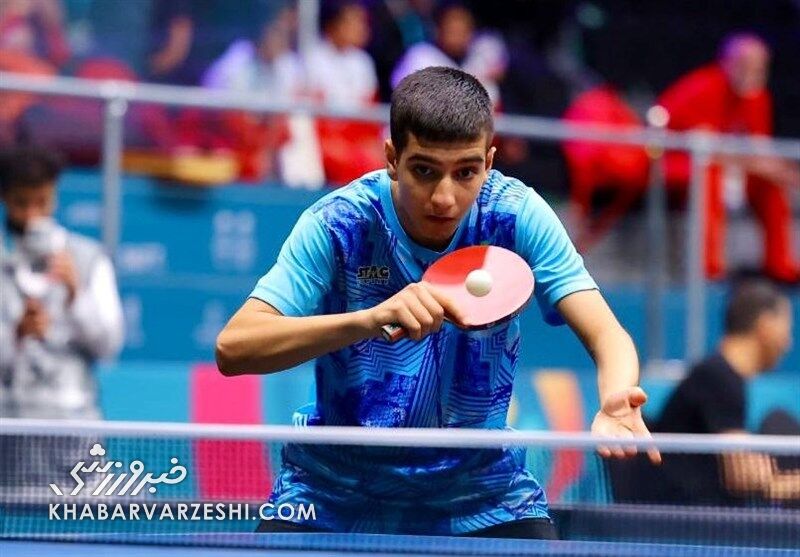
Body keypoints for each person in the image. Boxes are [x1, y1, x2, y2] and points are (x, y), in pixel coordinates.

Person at [216, 66, 660, 538]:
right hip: (333, 488)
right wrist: (368, 320)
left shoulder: (515, 215)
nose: (445, 197)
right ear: (392, 158)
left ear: (489, 160)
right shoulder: (340, 224)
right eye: (424, 171)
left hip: (482, 492)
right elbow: (234, 348)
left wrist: (617, 395)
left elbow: (606, 333)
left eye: (466, 172)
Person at [658, 33, 800, 283]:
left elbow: (758, 148)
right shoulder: (703, 88)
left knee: (772, 184)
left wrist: (785, 173)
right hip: (672, 161)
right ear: (726, 62)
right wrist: (766, 167)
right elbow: (708, 149)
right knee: (710, 174)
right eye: (745, 65)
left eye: (759, 67)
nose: (753, 73)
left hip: (727, 167)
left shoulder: (757, 96)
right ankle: (709, 268)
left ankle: (779, 266)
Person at [0, 145, 124, 419]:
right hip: (7, 423)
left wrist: (75, 294)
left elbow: (109, 347)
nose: (32, 215)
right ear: (5, 198)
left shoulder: (88, 258)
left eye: (41, 202)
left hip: (74, 424)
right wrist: (16, 335)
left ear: (54, 195)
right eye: (21, 203)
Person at [653, 280, 799, 505]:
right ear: (766, 326)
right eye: (786, 330)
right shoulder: (718, 378)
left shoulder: (720, 376)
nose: (788, 343)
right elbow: (743, 477)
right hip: (685, 513)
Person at [304, 0, 384, 186]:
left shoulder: (363, 62)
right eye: (354, 21)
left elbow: (370, 116)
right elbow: (312, 116)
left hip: (356, 140)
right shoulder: (313, 59)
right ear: (333, 25)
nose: (362, 28)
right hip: (324, 139)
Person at [390, 2, 508, 108]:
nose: (457, 35)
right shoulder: (420, 55)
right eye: (452, 29)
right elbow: (404, 96)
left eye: (463, 29)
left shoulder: (479, 57)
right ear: (439, 28)